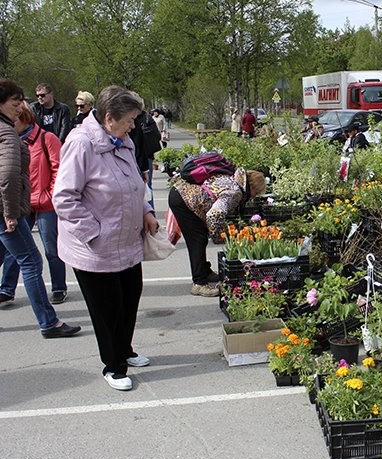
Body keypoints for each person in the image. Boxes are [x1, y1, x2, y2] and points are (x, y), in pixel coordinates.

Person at [54, 85, 159, 391]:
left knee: (130, 297)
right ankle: (113, 366)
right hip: (95, 247)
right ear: (109, 118)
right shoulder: (81, 143)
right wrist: (94, 232)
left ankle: (124, 349)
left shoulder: (123, 141)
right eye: (129, 119)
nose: (134, 126)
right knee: (108, 308)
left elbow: (135, 183)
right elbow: (64, 199)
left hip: (125, 241)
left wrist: (146, 210)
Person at [0, 78, 81, 338]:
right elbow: (9, 175)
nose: (19, 107)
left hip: (36, 202)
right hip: (8, 209)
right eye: (15, 102)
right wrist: (11, 212)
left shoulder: (35, 135)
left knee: (41, 252)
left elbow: (56, 169)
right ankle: (48, 322)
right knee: (31, 261)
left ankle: (57, 294)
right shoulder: (6, 134)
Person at [1, 101, 68, 304]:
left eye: (15, 119)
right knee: (15, 250)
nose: (11, 122)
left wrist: (50, 195)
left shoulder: (47, 138)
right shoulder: (7, 140)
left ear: (25, 119)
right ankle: (6, 288)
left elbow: (59, 170)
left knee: (51, 248)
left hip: (45, 203)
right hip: (22, 203)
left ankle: (58, 287)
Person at [168, 168, 265, 297]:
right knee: (197, 240)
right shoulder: (235, 192)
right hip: (183, 200)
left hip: (183, 194)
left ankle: (205, 272)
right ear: (252, 187)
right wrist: (219, 235)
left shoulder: (234, 179)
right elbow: (214, 214)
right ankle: (199, 283)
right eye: (256, 193)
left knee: (200, 236)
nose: (254, 196)